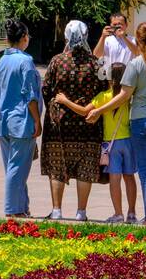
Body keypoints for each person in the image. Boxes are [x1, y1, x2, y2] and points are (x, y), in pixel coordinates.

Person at [88, 22, 146, 225]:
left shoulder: (136, 64)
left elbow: (123, 96)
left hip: (143, 122)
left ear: (138, 39)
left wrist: (99, 110)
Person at [56, 62, 138, 222]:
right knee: (130, 177)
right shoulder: (128, 96)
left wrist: (65, 101)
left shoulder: (104, 97)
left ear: (109, 78)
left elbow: (84, 111)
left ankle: (118, 214)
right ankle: (132, 213)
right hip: (128, 141)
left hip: (111, 144)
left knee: (115, 179)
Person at [40, 20, 105, 220]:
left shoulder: (57, 61)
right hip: (88, 123)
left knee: (57, 165)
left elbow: (46, 89)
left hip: (58, 123)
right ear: (85, 36)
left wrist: (57, 105)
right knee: (85, 167)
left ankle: (57, 210)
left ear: (67, 37)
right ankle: (81, 212)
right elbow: (103, 91)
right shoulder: (96, 63)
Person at [0, 19, 42, 218]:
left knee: (13, 168)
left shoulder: (2, 61)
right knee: (18, 169)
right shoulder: (25, 61)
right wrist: (37, 120)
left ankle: (22, 207)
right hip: (22, 121)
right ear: (24, 38)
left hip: (4, 121)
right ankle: (13, 210)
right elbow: (30, 95)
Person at [92, 12, 136, 77]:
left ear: (126, 25)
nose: (117, 26)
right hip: (110, 77)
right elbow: (96, 55)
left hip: (128, 77)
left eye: (120, 24)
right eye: (114, 24)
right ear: (110, 25)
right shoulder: (107, 40)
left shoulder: (133, 40)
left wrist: (123, 37)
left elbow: (137, 52)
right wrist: (102, 37)